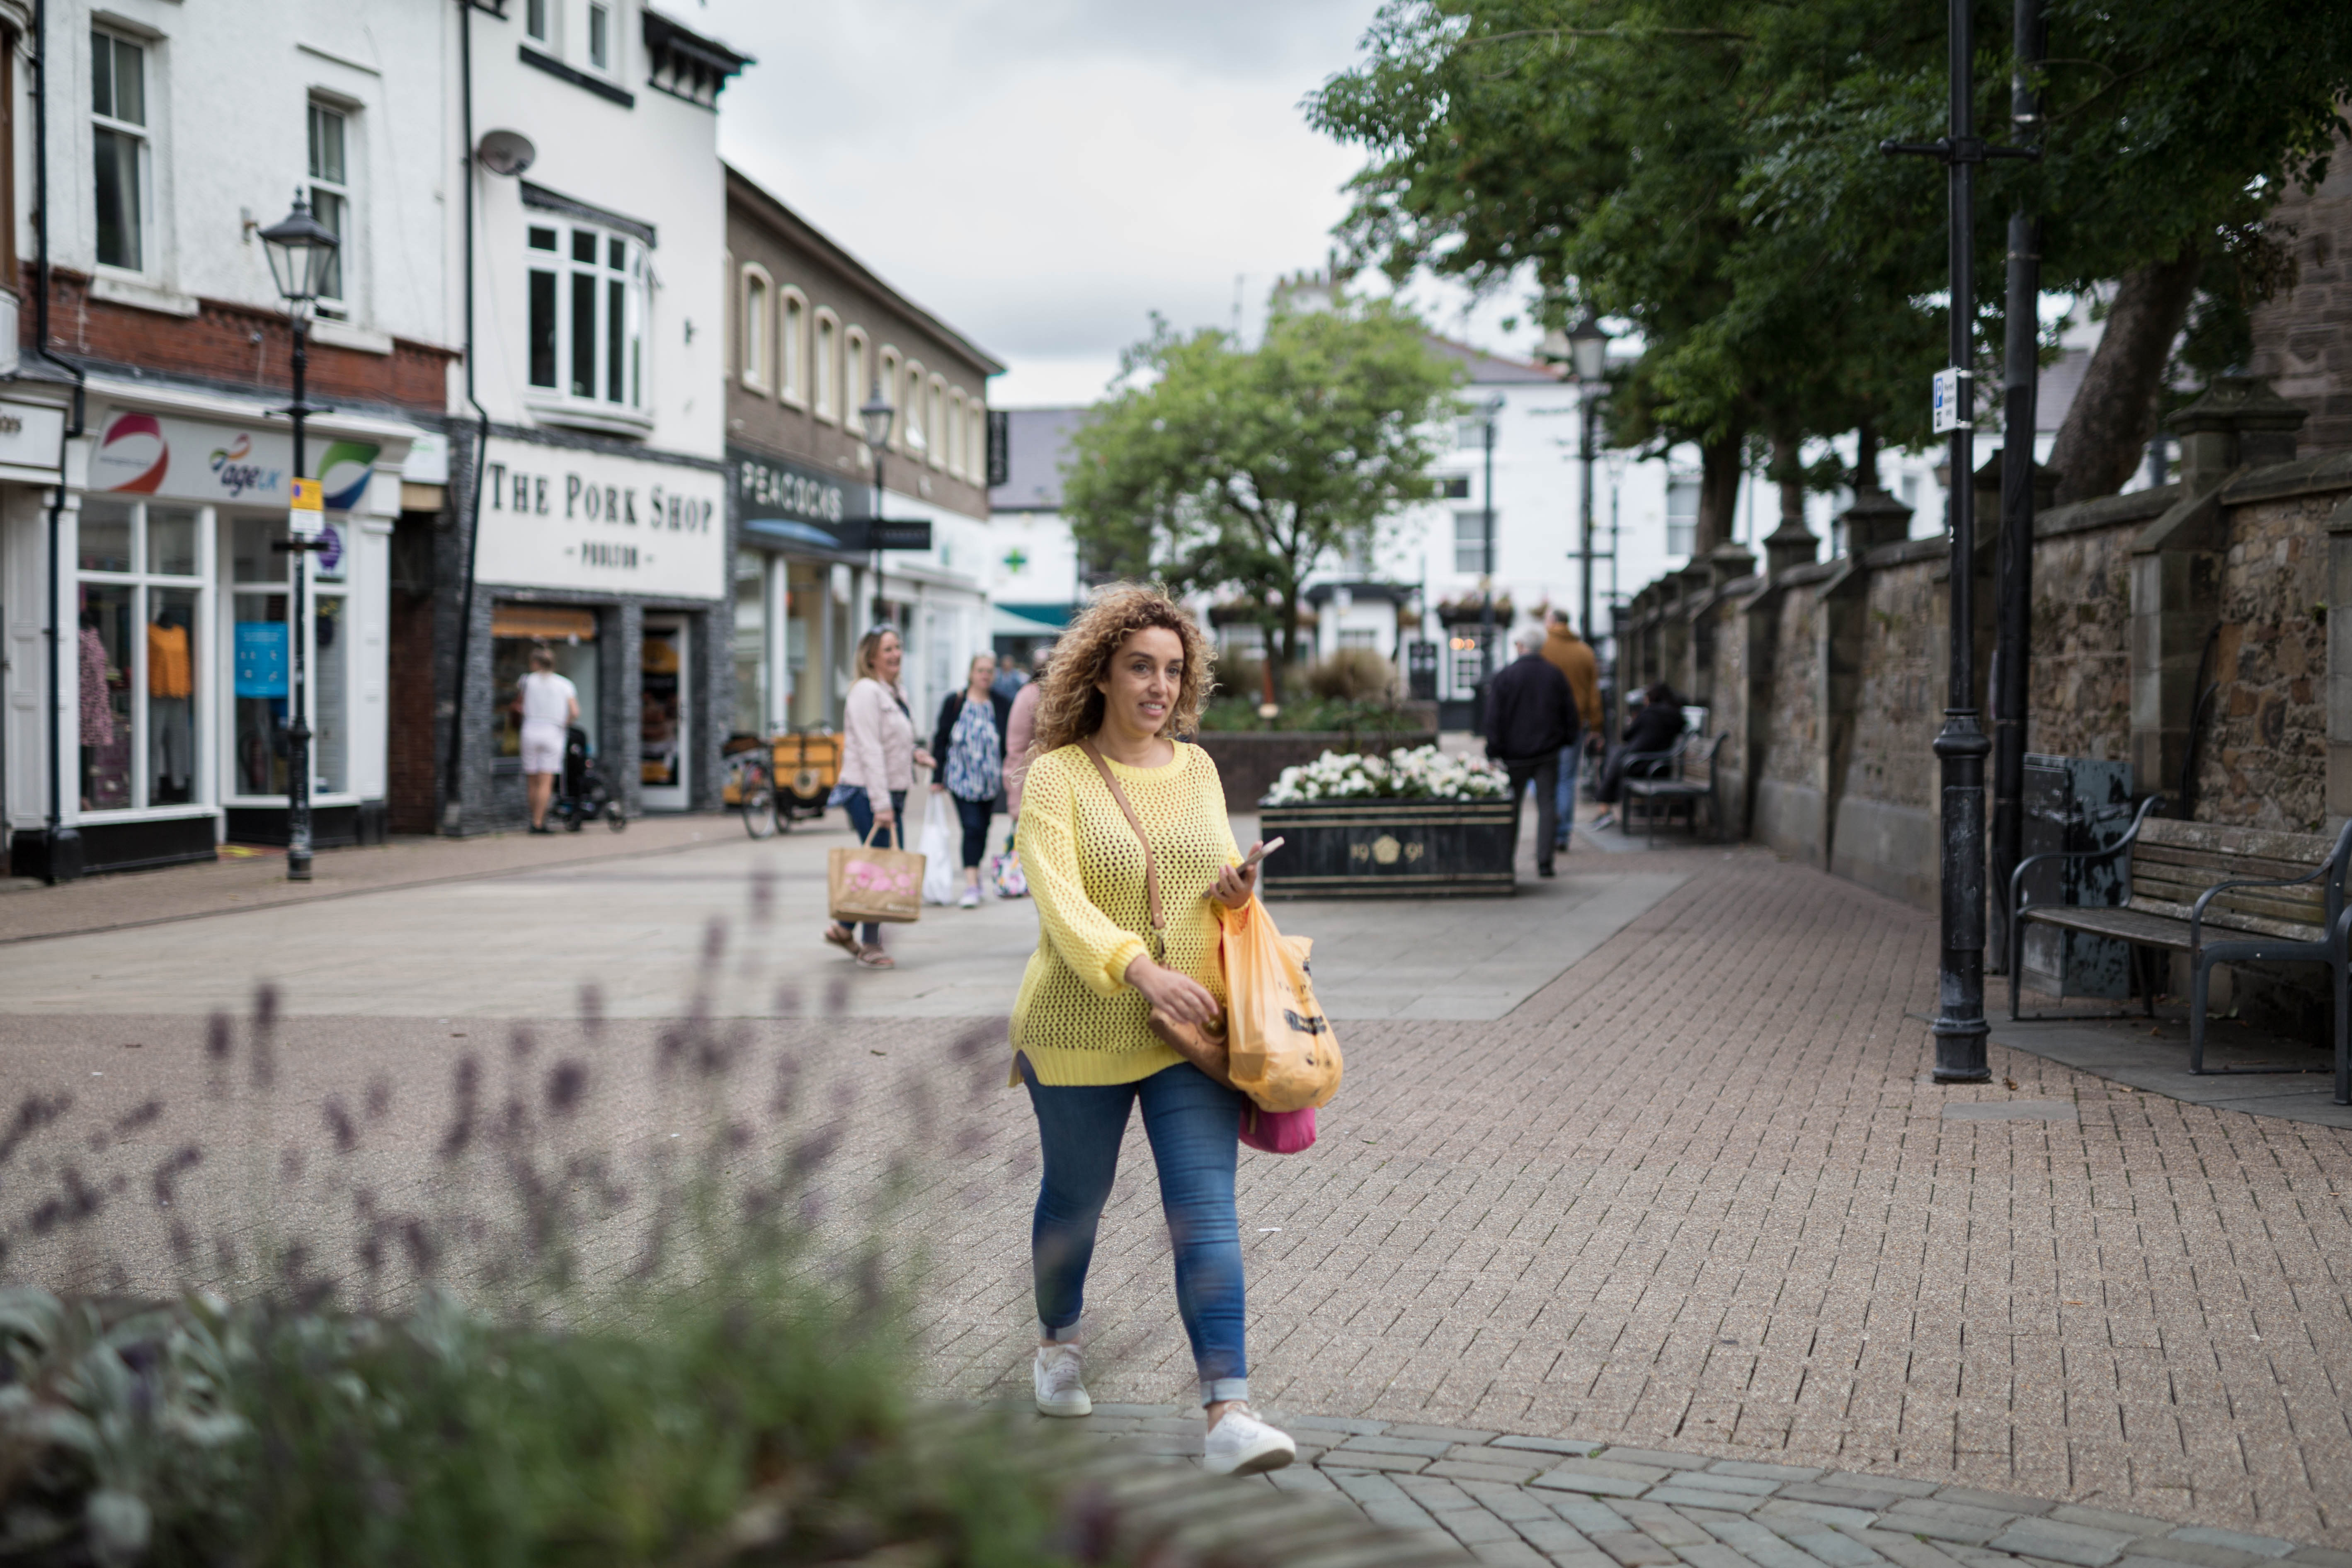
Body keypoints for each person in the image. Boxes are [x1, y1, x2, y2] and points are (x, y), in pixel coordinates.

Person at [1010, 583, 1296, 1478]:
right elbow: (1060, 902)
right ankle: (1058, 1339)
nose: (1159, 686)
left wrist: (1234, 891)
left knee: (1204, 1213)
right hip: (1081, 1020)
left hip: (1191, 1030)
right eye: (1140, 666)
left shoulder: (1200, 769)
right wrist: (1138, 967)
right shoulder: (1055, 776)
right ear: (1099, 674)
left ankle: (1229, 1410)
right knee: (1075, 1202)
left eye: (1173, 670)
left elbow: (1201, 874)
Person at [824, 625, 934, 968]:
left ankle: (844, 929)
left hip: (890, 790)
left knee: (877, 862)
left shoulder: (893, 691)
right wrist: (882, 805)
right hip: (868, 792)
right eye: (888, 649)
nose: (896, 654)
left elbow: (892, 740)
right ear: (871, 657)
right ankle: (871, 946)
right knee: (881, 866)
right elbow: (870, 749)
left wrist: (915, 753)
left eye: (899, 647)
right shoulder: (865, 692)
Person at [1483, 625, 1579, 878]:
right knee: (1547, 806)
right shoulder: (1554, 675)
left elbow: (1494, 717)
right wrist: (1566, 739)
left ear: (1521, 646)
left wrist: (1494, 750)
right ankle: (1545, 862)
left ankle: (1507, 861)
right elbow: (1569, 712)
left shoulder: (1506, 676)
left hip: (1514, 755)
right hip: (1547, 752)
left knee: (1511, 808)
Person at [932, 652, 1012, 908]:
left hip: (990, 782)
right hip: (961, 779)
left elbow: (1009, 742)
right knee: (972, 827)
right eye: (981, 670)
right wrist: (937, 776)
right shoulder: (955, 702)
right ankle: (971, 884)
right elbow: (941, 739)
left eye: (990, 670)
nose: (985, 675)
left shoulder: (1001, 703)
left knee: (984, 828)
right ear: (971, 674)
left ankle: (975, 876)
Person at [1542, 611, 1603, 855]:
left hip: (1544, 725)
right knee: (1567, 780)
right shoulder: (1584, 652)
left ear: (1553, 622)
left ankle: (1549, 824)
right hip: (1575, 725)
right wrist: (1596, 727)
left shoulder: (1543, 647)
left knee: (1544, 777)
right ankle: (1563, 833)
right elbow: (1593, 695)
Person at [1592, 682, 1688, 829]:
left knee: (1613, 761)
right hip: (1660, 765)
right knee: (1615, 760)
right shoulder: (1676, 716)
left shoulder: (1649, 713)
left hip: (1639, 764)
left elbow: (1627, 735)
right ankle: (1605, 810)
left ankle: (1604, 810)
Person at [516, 644, 579, 834]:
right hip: (553, 730)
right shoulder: (564, 684)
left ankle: (533, 820)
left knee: (532, 780)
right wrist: (564, 723)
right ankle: (539, 822)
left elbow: (519, 705)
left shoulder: (526, 681)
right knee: (546, 780)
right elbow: (575, 712)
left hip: (530, 729)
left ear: (535, 662)